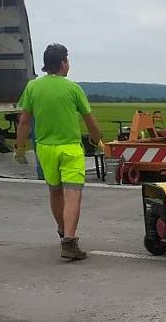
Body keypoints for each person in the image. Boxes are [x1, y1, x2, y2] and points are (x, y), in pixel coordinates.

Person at [14, 43, 103, 260]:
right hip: (70, 148)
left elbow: (24, 120)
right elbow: (89, 120)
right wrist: (97, 140)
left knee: (55, 191)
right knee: (73, 194)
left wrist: (20, 148)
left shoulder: (33, 87)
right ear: (63, 63)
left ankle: (63, 232)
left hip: (45, 148)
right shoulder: (73, 88)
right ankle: (70, 241)